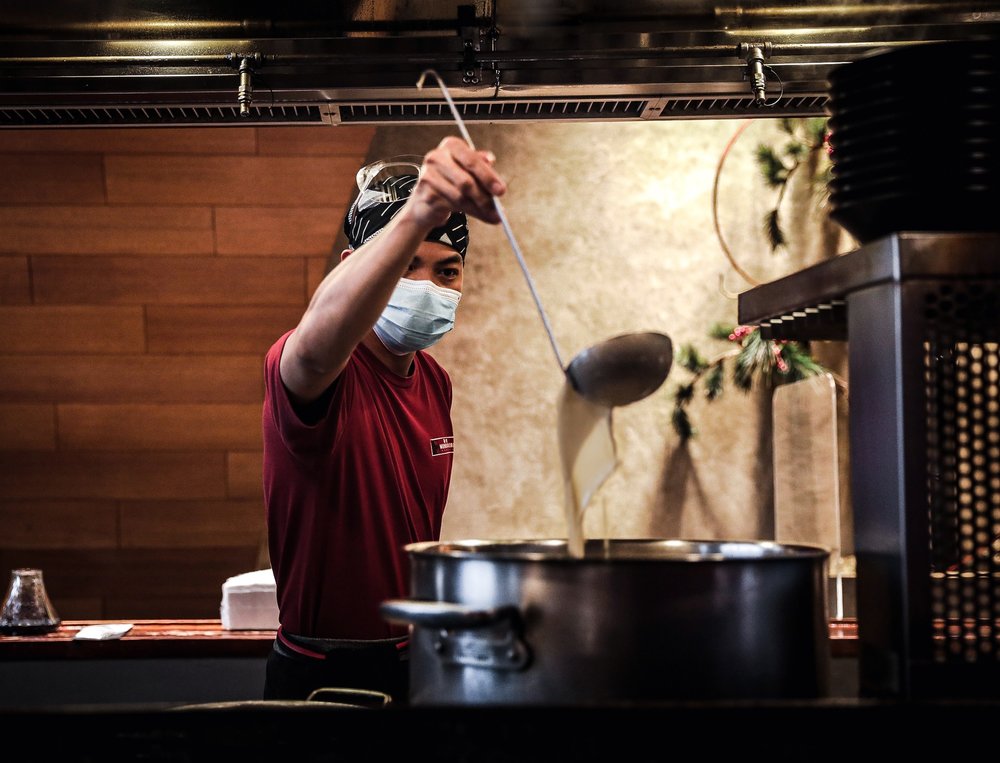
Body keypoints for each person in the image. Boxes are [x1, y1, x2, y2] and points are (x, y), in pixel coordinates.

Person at [260, 136, 506, 705]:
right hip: (320, 669)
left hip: (414, 657)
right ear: (354, 268)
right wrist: (420, 208)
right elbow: (320, 339)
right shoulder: (306, 369)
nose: (427, 286)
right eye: (406, 265)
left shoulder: (435, 381)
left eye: (448, 272)